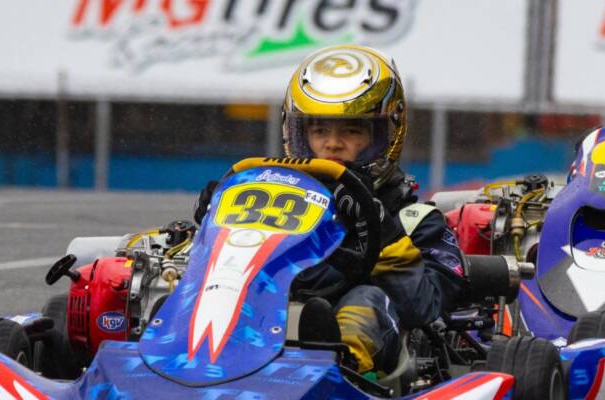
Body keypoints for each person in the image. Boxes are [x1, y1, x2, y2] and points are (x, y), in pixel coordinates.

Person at [198, 45, 465, 376]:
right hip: (264, 323)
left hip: (371, 369)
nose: (332, 144)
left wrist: (385, 232)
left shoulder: (416, 222)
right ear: (297, 132)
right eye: (319, 130)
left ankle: (339, 362)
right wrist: (215, 220)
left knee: (365, 299)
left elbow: (424, 307)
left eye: (351, 131)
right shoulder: (274, 204)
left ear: (386, 134)